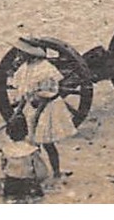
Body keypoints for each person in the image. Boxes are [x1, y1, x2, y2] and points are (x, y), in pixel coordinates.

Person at [8, 40, 74, 177]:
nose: (19, 55)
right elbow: (25, 93)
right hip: (31, 106)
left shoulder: (45, 69)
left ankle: (56, 172)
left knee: (47, 142)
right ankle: (35, 171)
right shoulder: (25, 68)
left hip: (47, 108)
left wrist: (37, 115)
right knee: (31, 142)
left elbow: (47, 95)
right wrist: (19, 111)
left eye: (21, 52)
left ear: (29, 53)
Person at [0, 112, 52, 202]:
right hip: (28, 183)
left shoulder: (6, 150)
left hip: (11, 183)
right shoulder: (31, 151)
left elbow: (3, 166)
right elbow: (42, 171)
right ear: (25, 132)